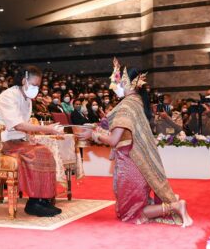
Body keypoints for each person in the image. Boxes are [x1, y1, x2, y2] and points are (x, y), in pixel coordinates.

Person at [75, 58, 193, 227]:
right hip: (137, 163)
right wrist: (98, 127)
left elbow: (114, 139)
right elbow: (112, 126)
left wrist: (93, 135)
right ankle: (170, 206)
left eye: (117, 83)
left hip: (131, 164)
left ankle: (175, 206)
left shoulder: (127, 106)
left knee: (129, 214)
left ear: (127, 84)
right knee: (130, 210)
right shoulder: (136, 102)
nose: (113, 88)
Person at [0, 65, 63, 217]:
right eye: (35, 85)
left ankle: (43, 199)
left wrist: (28, 136)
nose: (37, 89)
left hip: (12, 141)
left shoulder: (27, 99)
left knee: (44, 151)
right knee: (35, 154)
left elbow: (21, 127)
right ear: (24, 80)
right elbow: (18, 124)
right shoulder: (8, 96)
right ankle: (34, 203)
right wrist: (48, 129)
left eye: (38, 86)